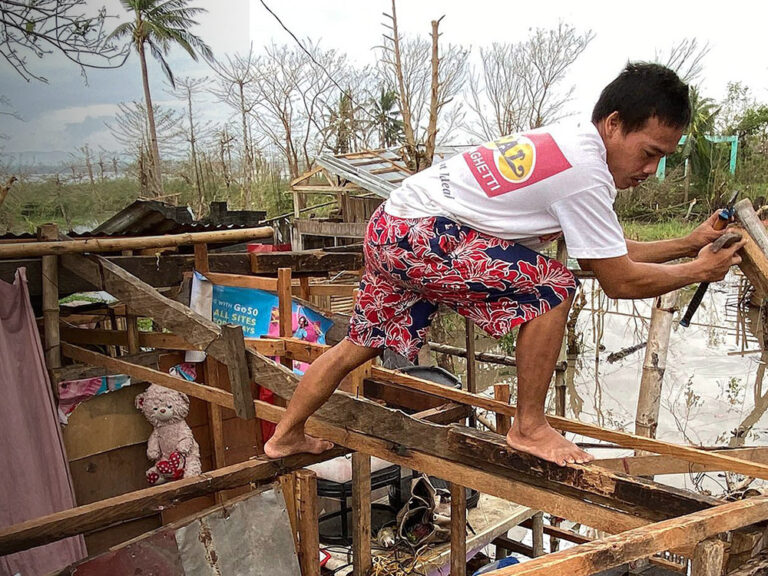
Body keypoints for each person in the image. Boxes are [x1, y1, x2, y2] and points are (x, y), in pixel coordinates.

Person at [264, 62, 744, 466]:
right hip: (425, 234)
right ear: (614, 124)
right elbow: (616, 279)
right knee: (552, 288)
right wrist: (698, 272)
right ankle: (529, 426)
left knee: (359, 344)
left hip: (394, 226)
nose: (648, 170)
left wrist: (689, 244)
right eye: (648, 154)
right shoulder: (584, 170)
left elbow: (610, 250)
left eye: (660, 160)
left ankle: (285, 435)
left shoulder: (570, 145)